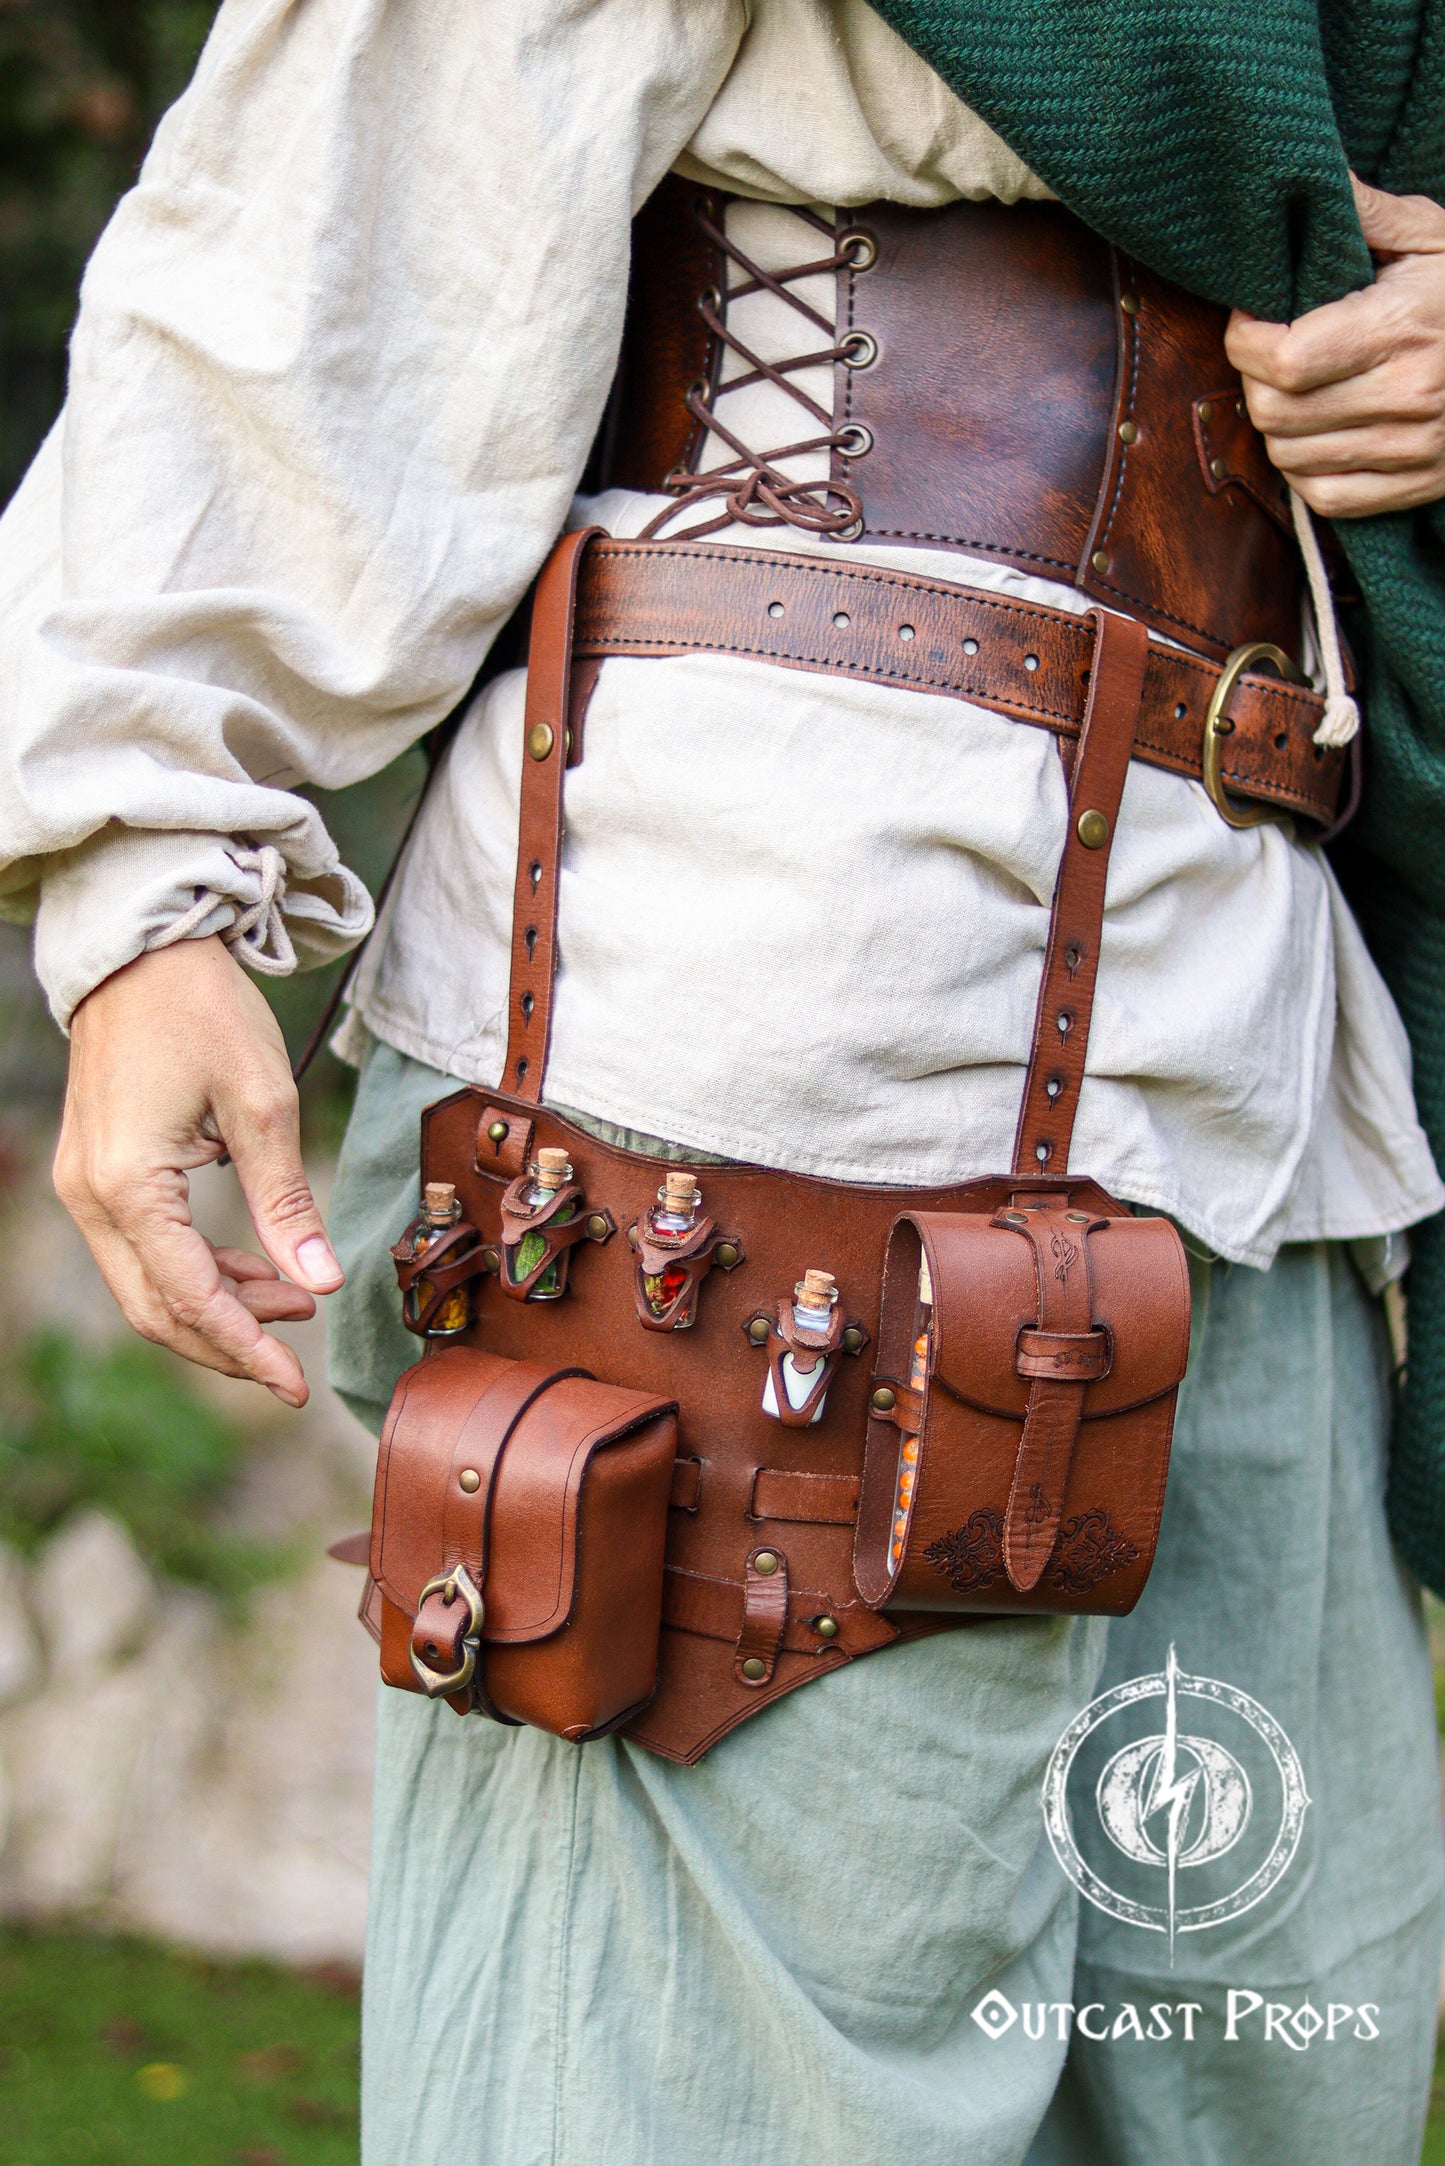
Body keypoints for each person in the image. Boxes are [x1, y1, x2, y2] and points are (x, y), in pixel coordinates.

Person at [3, 3, 1445, 2160]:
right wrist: (147, 863)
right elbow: (396, 118)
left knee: (1273, 2080)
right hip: (768, 1021)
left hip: (1257, 1071)